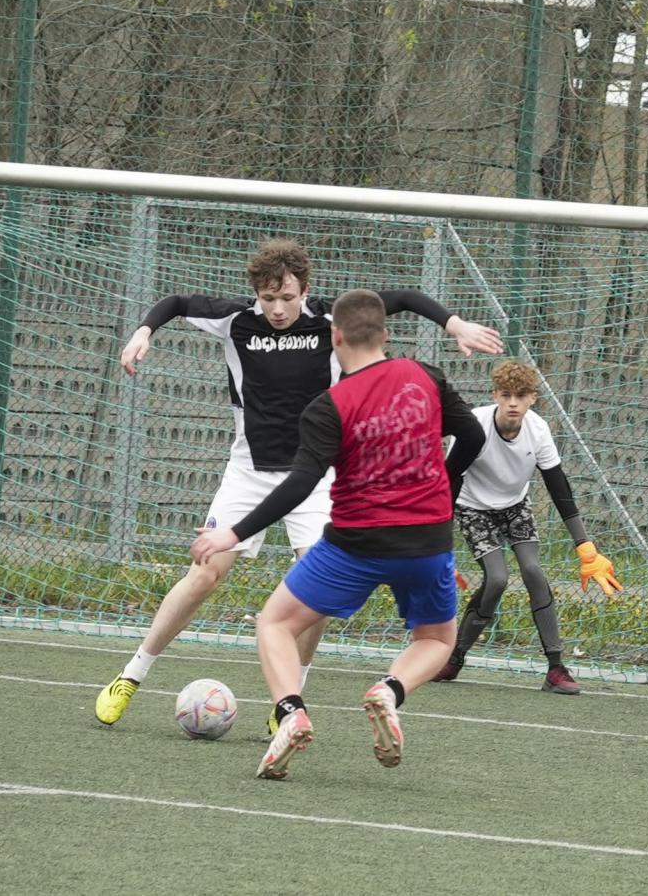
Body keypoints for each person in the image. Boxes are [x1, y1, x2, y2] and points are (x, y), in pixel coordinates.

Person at [95, 239, 503, 729]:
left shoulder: (328, 319)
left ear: (305, 291)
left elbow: (404, 298)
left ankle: (289, 701)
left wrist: (453, 324)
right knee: (204, 574)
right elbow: (176, 302)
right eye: (268, 298)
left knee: (316, 594)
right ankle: (132, 673)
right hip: (248, 470)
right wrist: (143, 332)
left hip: (317, 475)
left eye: (287, 298)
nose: (277, 308)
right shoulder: (236, 321)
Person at [191, 288, 487, 780]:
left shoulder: (327, 407)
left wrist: (232, 534)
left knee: (274, 623)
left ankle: (290, 713)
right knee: (437, 639)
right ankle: (390, 691)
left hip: (355, 544)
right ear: (385, 334)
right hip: (427, 540)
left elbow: (300, 484)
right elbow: (473, 436)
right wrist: (444, 484)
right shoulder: (426, 377)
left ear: (335, 337)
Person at [432, 359, 622, 692]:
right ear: (495, 395)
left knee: (533, 571)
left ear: (533, 398)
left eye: (521, 396)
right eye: (505, 395)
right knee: (497, 579)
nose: (513, 403)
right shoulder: (474, 427)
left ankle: (556, 668)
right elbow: (449, 482)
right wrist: (439, 547)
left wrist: (585, 546)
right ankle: (455, 657)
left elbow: (558, 486)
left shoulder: (538, 430)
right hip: (474, 508)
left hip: (515, 506)